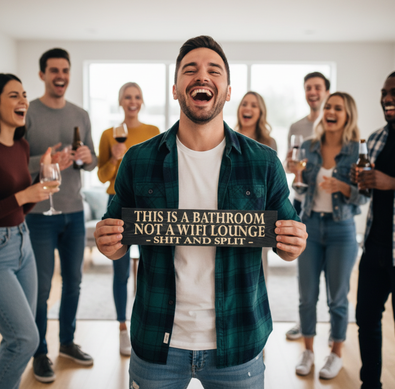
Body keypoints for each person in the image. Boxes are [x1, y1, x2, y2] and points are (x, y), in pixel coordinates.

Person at [94, 35, 307, 389]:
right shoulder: (138, 159)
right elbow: (116, 240)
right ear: (176, 89)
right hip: (156, 340)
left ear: (226, 91)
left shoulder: (263, 162)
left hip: (238, 343)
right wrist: (108, 243)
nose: (201, 76)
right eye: (189, 70)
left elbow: (288, 240)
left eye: (214, 70)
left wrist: (293, 242)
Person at [24, 48, 97, 383]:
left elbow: (92, 160)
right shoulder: (28, 114)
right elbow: (14, 164)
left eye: (65, 70)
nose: (60, 76)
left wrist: (86, 156)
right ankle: (39, 351)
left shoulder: (80, 114)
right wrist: (46, 161)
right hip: (38, 214)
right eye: (54, 70)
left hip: (73, 211)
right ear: (42, 74)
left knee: (74, 283)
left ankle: (66, 342)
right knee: (40, 289)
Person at [288, 92, 368, 379]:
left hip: (342, 230)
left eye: (338, 108)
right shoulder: (308, 147)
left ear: (347, 116)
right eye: (329, 107)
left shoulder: (356, 151)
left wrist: (343, 187)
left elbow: (363, 196)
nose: (331, 111)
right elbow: (299, 191)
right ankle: (308, 351)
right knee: (307, 296)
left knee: (338, 298)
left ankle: (335, 354)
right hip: (309, 225)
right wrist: (295, 176)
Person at [0, 73, 60, 389]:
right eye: (13, 95)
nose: (23, 100)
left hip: (22, 242)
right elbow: (16, 200)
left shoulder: (21, 146)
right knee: (25, 338)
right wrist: (24, 195)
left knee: (23, 332)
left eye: (24, 94)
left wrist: (39, 185)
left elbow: (19, 210)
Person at [97, 82, 160, 356]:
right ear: (121, 102)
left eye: (136, 97)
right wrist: (114, 160)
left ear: (142, 101)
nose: (132, 102)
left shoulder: (153, 133)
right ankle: (123, 327)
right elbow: (101, 176)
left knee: (150, 267)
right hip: (118, 203)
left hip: (147, 207)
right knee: (120, 271)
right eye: (127, 97)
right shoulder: (108, 134)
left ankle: (144, 325)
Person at [353, 70, 395, 389]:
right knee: (366, 322)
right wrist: (364, 182)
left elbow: (389, 184)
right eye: (384, 93)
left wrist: (392, 183)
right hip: (374, 247)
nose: (386, 98)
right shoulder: (377, 137)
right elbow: (370, 192)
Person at [285, 71, 330, 341]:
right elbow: (289, 164)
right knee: (305, 273)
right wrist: (292, 168)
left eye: (317, 87)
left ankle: (328, 329)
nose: (312, 92)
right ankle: (305, 325)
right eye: (308, 88)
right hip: (302, 202)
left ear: (326, 91)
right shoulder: (296, 127)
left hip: (330, 207)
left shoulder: (336, 124)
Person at [236, 91, 277, 285]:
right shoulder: (227, 137)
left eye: (253, 105)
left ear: (260, 112)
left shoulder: (269, 144)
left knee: (257, 272)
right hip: (231, 212)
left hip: (258, 214)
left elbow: (271, 181)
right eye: (245, 104)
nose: (248, 108)